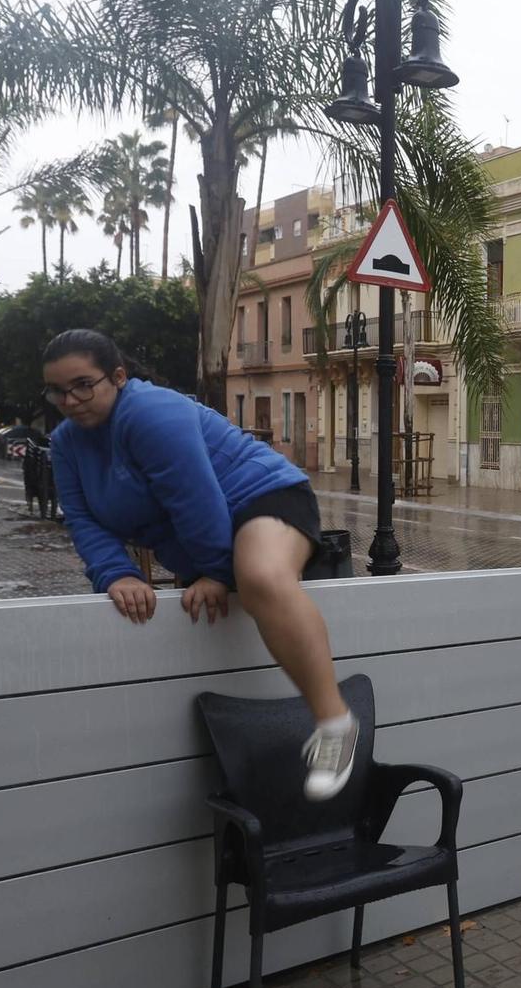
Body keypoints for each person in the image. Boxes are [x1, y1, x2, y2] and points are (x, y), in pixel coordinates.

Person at [42, 328, 358, 800]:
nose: (70, 400)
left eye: (83, 384)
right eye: (57, 391)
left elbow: (196, 500)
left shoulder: (151, 413)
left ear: (119, 377)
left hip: (261, 498)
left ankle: (335, 723)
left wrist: (218, 573)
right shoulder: (66, 444)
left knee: (261, 579)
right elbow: (84, 519)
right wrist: (118, 573)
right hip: (203, 541)